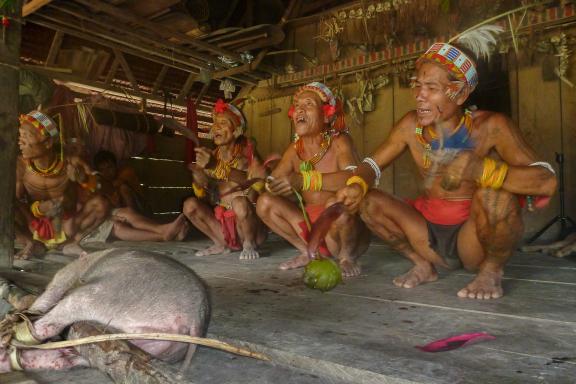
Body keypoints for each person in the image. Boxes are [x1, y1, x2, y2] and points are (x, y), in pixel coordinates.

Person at [335, 34, 557, 299]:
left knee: (495, 195)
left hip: (471, 238)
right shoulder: (410, 125)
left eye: (431, 87)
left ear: (461, 93)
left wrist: (481, 169)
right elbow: (372, 163)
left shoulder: (491, 126)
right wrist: (358, 183)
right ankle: (423, 265)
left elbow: (546, 180)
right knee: (367, 200)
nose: (419, 96)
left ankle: (490, 272)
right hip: (426, 232)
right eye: (417, 85)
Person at [256, 82, 369, 278]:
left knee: (337, 204)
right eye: (297, 105)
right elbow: (274, 182)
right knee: (264, 202)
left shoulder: (339, 141)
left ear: (326, 115)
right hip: (310, 227)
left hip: (339, 227)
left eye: (308, 104)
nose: (300, 109)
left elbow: (353, 177)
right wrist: (267, 178)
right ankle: (308, 252)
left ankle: (346, 256)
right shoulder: (294, 149)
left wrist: (304, 180)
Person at [15, 110, 110, 258]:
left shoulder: (71, 162)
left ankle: (72, 242)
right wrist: (39, 209)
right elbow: (16, 200)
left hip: (67, 227)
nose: (20, 141)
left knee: (101, 204)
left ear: (47, 142)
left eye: (26, 136)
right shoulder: (21, 165)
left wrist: (83, 179)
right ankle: (30, 243)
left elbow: (102, 188)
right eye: (20, 136)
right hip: (32, 226)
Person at [182, 99, 267, 260]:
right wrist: (199, 176)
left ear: (236, 130)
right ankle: (220, 243)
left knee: (239, 202)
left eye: (223, 123)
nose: (216, 127)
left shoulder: (248, 154)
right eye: (215, 123)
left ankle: (249, 244)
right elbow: (204, 196)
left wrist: (216, 167)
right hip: (223, 225)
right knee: (190, 205)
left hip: (249, 226)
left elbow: (254, 181)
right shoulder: (212, 156)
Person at [93, 150, 148, 214]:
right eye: (102, 169)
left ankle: (134, 218)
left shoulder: (126, 172)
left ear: (116, 166)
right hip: (118, 215)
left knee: (123, 188)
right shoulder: (100, 182)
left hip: (140, 210)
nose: (106, 172)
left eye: (109, 167)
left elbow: (118, 183)